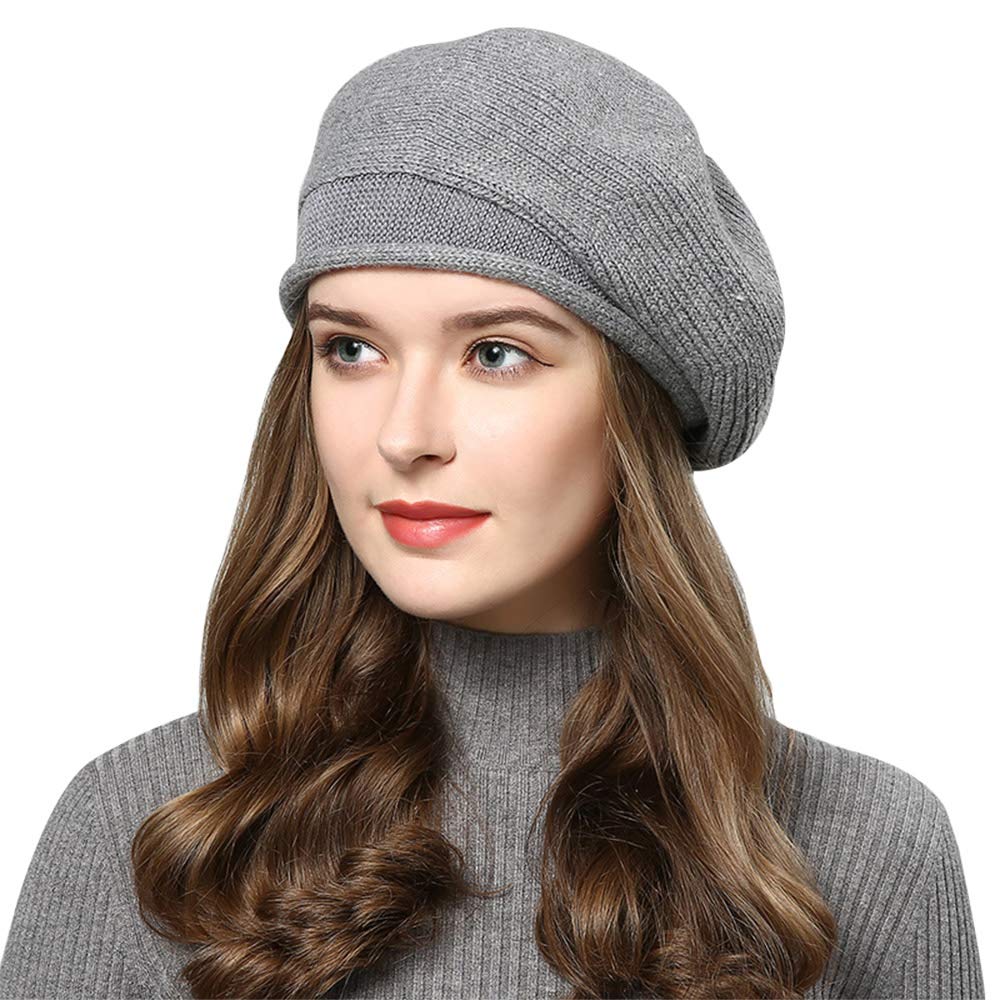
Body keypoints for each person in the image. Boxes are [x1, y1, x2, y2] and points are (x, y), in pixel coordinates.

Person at [0, 26, 984, 1000]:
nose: (404, 434)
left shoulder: (866, 850)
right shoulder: (152, 835)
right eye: (352, 349)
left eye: (496, 354)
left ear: (636, 402)